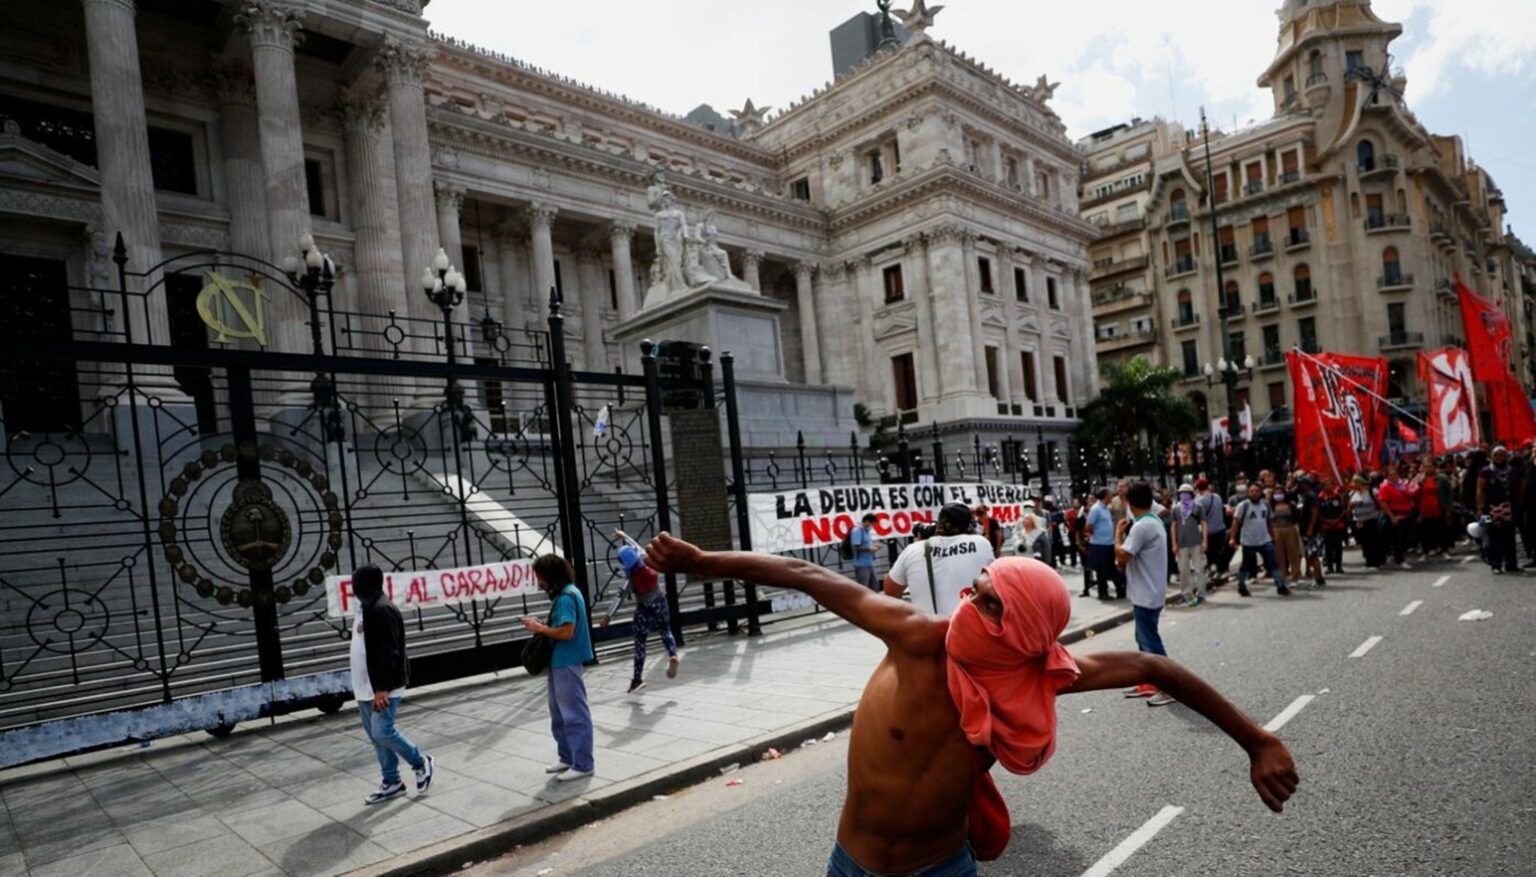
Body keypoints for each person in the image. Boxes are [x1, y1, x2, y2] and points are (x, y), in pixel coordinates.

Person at [642, 533, 1299, 876]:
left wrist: (1258, 740)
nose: (966, 605)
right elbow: (808, 574)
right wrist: (704, 561)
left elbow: (1154, 666)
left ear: (1024, 634)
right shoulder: (916, 637)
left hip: (942, 868)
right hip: (853, 865)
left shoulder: (1038, 675)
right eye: (973, 590)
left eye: (987, 603)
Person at [349, 564, 435, 805]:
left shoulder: (382, 609)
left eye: (357, 582)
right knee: (376, 737)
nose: (354, 587)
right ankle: (392, 782)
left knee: (382, 731)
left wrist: (382, 688)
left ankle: (421, 762)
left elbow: (389, 652)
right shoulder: (366, 608)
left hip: (383, 687)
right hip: (365, 687)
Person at [522, 555, 595, 782]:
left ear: (550, 576)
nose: (539, 583)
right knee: (559, 713)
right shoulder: (568, 594)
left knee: (573, 714)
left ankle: (583, 764)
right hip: (560, 661)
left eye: (540, 578)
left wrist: (539, 628)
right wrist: (543, 625)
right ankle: (567, 757)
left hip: (566, 660)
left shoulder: (565, 598)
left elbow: (566, 632)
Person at [600, 531, 681, 694]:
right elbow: (636, 547)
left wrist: (608, 616)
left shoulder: (629, 578)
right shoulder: (645, 558)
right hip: (659, 600)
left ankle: (637, 679)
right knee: (665, 630)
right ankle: (672, 654)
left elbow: (619, 598)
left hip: (644, 608)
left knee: (640, 643)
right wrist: (624, 536)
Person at [1118, 482, 1176, 706]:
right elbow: (1162, 509)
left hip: (1146, 593)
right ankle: (1150, 682)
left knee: (1150, 642)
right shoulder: (1153, 520)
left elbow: (1122, 557)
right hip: (1149, 590)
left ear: (1129, 503)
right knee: (1143, 639)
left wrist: (1117, 534)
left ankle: (1170, 687)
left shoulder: (1141, 527)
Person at [885, 503, 995, 616]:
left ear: (939, 523)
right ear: (968, 526)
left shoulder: (913, 550)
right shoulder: (982, 543)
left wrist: (920, 544)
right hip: (971, 623)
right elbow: (994, 584)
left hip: (929, 625)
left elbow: (890, 591)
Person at [1231, 483, 1291, 597]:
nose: (1254, 493)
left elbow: (1270, 522)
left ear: (1261, 493)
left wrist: (1273, 536)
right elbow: (1236, 523)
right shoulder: (1243, 506)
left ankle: (1280, 586)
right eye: (1252, 491)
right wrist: (1232, 538)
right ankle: (1241, 585)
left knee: (1273, 563)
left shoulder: (1265, 505)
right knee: (1246, 565)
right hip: (1248, 541)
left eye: (1257, 491)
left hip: (1264, 540)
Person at [1477, 446, 1522, 575]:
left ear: (1506, 456)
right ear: (1492, 457)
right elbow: (1480, 491)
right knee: (1493, 537)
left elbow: (1519, 489)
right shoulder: (1486, 472)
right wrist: (1480, 508)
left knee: (1510, 536)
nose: (1499, 458)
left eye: (1502, 455)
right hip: (1491, 509)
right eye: (1496, 455)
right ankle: (1496, 565)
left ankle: (1511, 564)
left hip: (1509, 508)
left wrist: (1518, 505)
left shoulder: (1513, 471)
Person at [1171, 482, 1208, 607]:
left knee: (1199, 569)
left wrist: (1205, 540)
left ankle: (1201, 593)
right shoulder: (1176, 509)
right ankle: (1187, 594)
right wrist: (1174, 543)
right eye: (1182, 493)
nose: (1184, 495)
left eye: (1186, 493)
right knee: (1183, 571)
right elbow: (1174, 526)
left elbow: (1204, 523)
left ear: (1191, 494)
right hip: (1182, 544)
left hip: (1196, 542)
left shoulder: (1198, 507)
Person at [1376, 463, 1417, 569]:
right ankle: (1399, 560)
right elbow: (1383, 503)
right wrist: (1392, 516)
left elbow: (1410, 495)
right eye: (1391, 475)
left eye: (1395, 474)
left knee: (1405, 538)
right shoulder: (1385, 487)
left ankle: (1397, 557)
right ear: (1387, 476)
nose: (1394, 476)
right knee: (1397, 539)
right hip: (1394, 515)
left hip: (1406, 514)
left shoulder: (1402, 484)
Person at [1084, 488, 1121, 600]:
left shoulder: (1106, 509)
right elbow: (1088, 526)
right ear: (1105, 496)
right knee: (1101, 570)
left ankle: (1120, 589)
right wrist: (1097, 535)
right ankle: (1103, 592)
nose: (1111, 497)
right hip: (1099, 544)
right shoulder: (1096, 509)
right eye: (1110, 495)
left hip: (1109, 543)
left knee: (1112, 568)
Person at [1194, 478, 1229, 586]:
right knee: (1219, 552)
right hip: (1220, 529)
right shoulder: (1217, 497)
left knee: (1210, 553)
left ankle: (1211, 570)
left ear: (1198, 489)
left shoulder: (1199, 501)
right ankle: (1220, 572)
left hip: (1208, 532)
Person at [1416, 459, 1453, 559]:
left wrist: (1449, 509)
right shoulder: (1421, 480)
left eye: (1430, 466)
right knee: (1426, 532)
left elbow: (1449, 494)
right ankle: (1426, 552)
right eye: (1426, 467)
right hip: (1425, 509)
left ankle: (1444, 550)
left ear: (1435, 467)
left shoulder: (1443, 479)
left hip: (1439, 508)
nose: (1428, 468)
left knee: (1441, 530)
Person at [1270, 483, 1304, 588]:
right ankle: (1282, 576)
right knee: (1279, 555)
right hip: (1276, 530)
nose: (1278, 495)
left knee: (1293, 553)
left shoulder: (1291, 505)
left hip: (1290, 529)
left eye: (1280, 493)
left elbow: (1297, 518)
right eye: (1276, 493)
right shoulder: (1270, 507)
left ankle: (1295, 576)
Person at [1348, 474, 1384, 569]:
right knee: (1363, 542)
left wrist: (1381, 516)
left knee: (1372, 541)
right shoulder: (1352, 493)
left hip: (1372, 520)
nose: (1353, 484)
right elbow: (1350, 507)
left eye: (1355, 482)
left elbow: (1381, 505)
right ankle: (1368, 561)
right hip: (1359, 521)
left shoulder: (1373, 492)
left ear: (1360, 483)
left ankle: (1375, 562)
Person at [1318, 478, 1349, 575]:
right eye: (1326, 485)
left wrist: (1337, 519)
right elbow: (1318, 512)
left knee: (1338, 546)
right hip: (1326, 525)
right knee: (1328, 547)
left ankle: (1339, 566)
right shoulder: (1320, 497)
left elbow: (1343, 510)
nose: (1329, 486)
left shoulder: (1337, 496)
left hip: (1337, 524)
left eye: (1330, 484)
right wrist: (1327, 521)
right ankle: (1330, 567)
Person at [850, 514, 880, 591]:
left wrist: (874, 546)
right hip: (861, 565)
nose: (872, 526)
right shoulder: (857, 531)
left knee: (875, 587)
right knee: (863, 589)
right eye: (872, 524)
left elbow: (866, 544)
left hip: (869, 563)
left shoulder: (866, 531)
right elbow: (855, 548)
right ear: (867, 521)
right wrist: (869, 549)